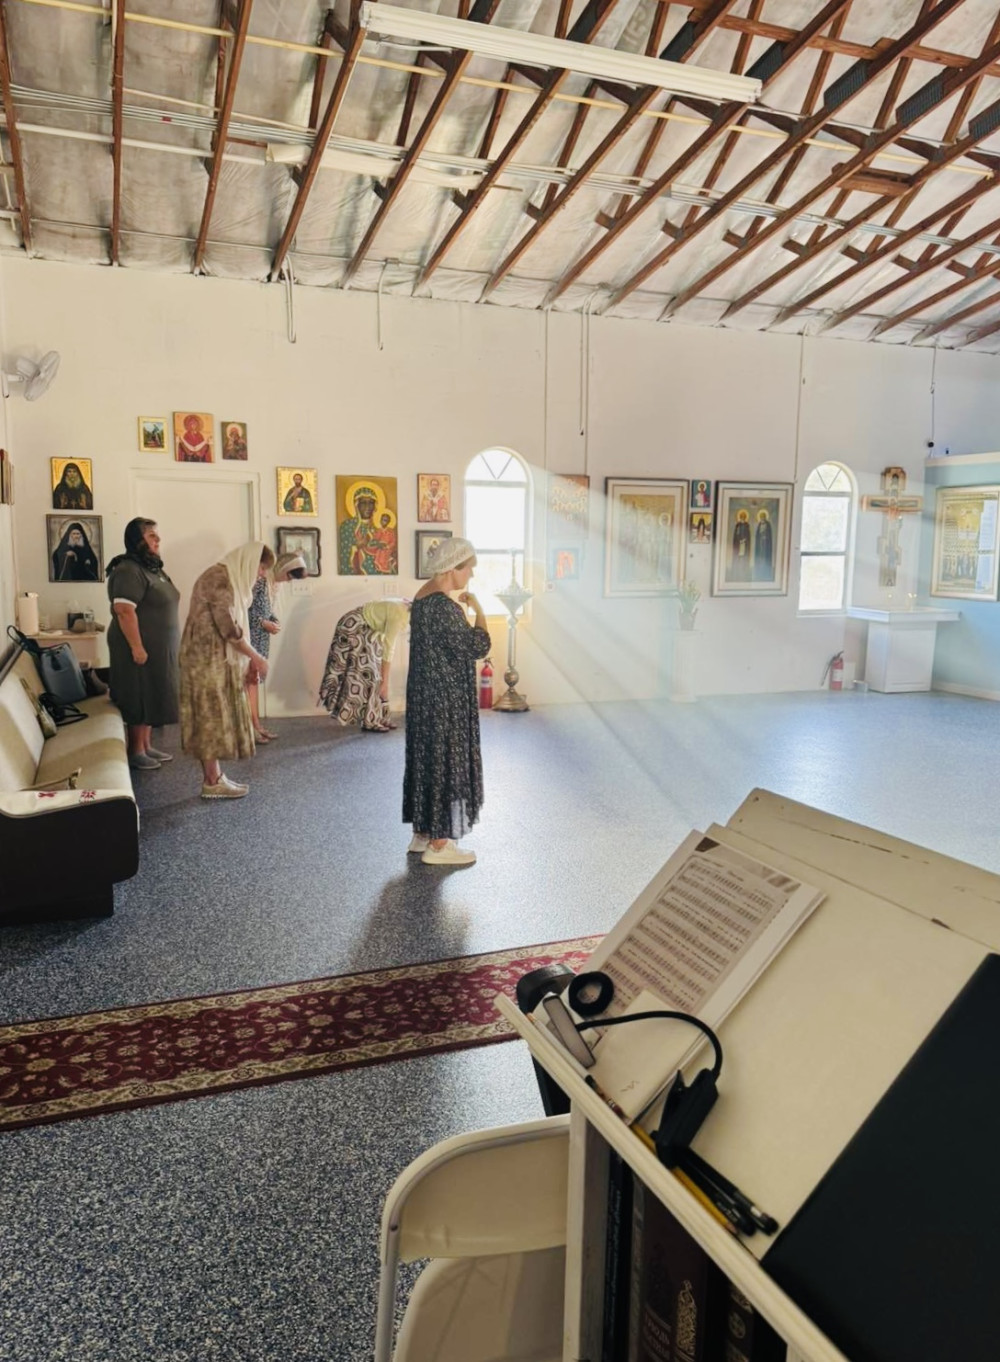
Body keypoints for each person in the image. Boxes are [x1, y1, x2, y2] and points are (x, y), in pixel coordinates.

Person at [403, 537, 490, 867]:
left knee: (426, 758)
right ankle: (440, 845)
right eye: (469, 569)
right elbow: (477, 645)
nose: (471, 575)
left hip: (424, 694)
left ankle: (423, 832)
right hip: (445, 699)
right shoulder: (444, 608)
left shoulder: (422, 597)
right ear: (453, 568)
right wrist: (479, 610)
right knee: (447, 763)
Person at [178, 541, 273, 799]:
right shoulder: (219, 579)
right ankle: (212, 781)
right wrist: (256, 658)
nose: (261, 574)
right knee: (209, 718)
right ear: (250, 562)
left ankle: (215, 777)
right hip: (204, 659)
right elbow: (229, 628)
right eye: (261, 568)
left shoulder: (227, 576)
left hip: (212, 657)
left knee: (213, 717)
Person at [106, 518, 181, 771]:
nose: (157, 539)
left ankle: (147, 745)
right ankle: (135, 750)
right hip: (136, 646)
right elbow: (124, 610)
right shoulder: (128, 570)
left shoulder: (152, 568)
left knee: (153, 691)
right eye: (151, 535)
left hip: (157, 648)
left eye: (157, 535)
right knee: (139, 694)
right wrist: (137, 647)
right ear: (137, 541)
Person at [319, 597, 410, 733]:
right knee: (370, 674)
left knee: (375, 673)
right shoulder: (400, 615)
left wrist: (383, 679)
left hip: (367, 628)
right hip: (354, 626)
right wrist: (385, 682)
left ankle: (380, 717)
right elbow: (389, 648)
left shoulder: (407, 608)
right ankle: (371, 721)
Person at [247, 550, 307, 743]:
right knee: (249, 682)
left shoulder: (272, 584)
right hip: (251, 638)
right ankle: (251, 727)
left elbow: (266, 611)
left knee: (254, 681)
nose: (288, 581)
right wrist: (264, 623)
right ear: (283, 569)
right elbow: (245, 611)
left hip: (261, 638)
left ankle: (256, 726)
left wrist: (274, 621)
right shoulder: (260, 582)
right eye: (289, 576)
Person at [339, 485, 396, 574]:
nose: (368, 507)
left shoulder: (376, 528)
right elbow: (344, 552)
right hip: (357, 571)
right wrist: (357, 545)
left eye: (371, 503)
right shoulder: (348, 526)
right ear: (357, 505)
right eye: (363, 503)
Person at [753, 508, 774, 582]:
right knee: (759, 557)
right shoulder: (759, 525)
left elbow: (769, 534)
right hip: (760, 544)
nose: (762, 518)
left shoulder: (768, 524)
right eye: (761, 517)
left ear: (765, 517)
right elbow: (757, 535)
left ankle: (765, 573)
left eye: (763, 516)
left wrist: (765, 537)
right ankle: (759, 572)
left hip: (766, 544)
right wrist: (760, 537)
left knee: (765, 558)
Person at [730, 509, 752, 581]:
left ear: (745, 517)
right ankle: (737, 571)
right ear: (740, 517)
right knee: (738, 557)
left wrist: (745, 540)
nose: (742, 518)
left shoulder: (747, 525)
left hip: (744, 544)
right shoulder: (738, 525)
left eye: (743, 517)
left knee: (744, 556)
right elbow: (736, 535)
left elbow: (748, 535)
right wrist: (738, 540)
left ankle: (744, 571)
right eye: (741, 517)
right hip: (738, 544)